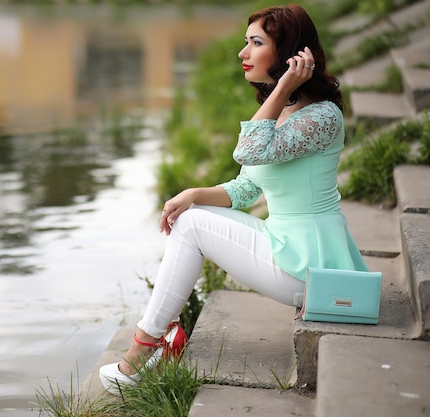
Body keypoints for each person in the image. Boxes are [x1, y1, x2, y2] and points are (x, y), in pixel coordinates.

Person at [99, 4, 368, 394]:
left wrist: (280, 90)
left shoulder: (322, 118)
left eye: (255, 43)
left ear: (289, 53)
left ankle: (138, 357)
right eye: (246, 42)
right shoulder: (285, 110)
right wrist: (193, 194)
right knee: (191, 214)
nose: (243, 53)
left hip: (312, 265)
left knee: (191, 225)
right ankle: (155, 344)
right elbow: (246, 187)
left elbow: (248, 151)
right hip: (288, 250)